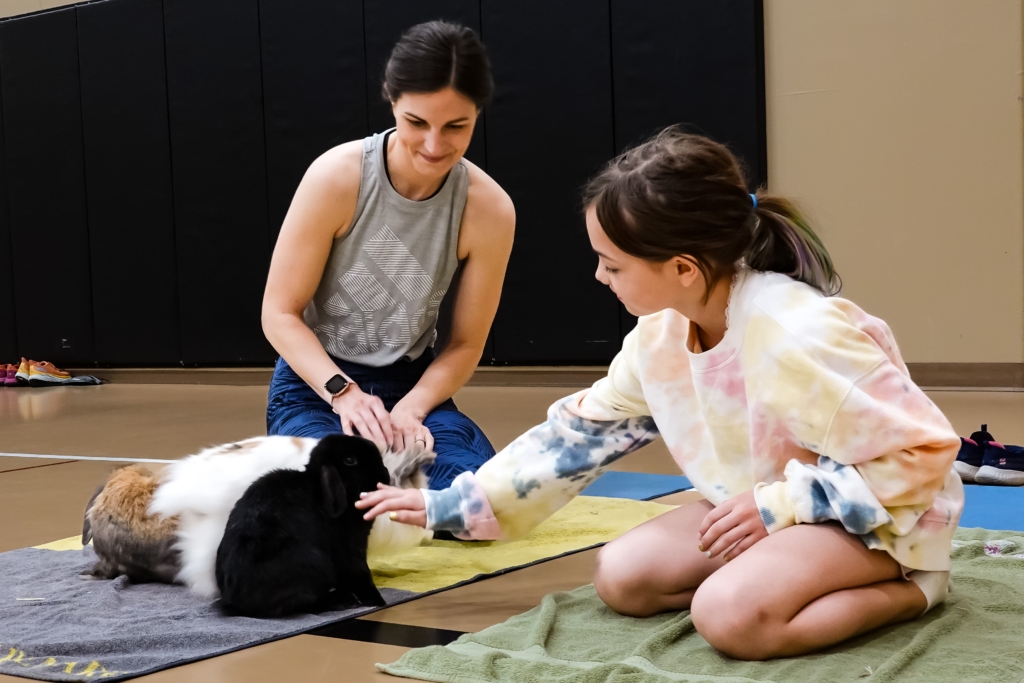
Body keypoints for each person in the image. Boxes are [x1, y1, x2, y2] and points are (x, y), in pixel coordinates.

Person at [356, 127, 964, 660]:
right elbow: (581, 434)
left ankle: (916, 588)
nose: (599, 277)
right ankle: (774, 574)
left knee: (729, 618)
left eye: (613, 265)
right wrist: (451, 506)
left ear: (683, 268)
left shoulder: (795, 331)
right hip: (760, 510)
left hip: (880, 519)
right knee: (624, 578)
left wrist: (783, 504)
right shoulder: (661, 336)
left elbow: (923, 453)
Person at [262, 21, 514, 489]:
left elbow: (465, 345)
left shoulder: (490, 209)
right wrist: (345, 393)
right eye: (416, 123)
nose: (435, 146)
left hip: (413, 387)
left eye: (456, 126)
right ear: (392, 101)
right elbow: (279, 313)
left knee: (471, 494)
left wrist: (413, 408)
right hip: (316, 387)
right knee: (336, 494)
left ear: (478, 112)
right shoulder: (336, 177)